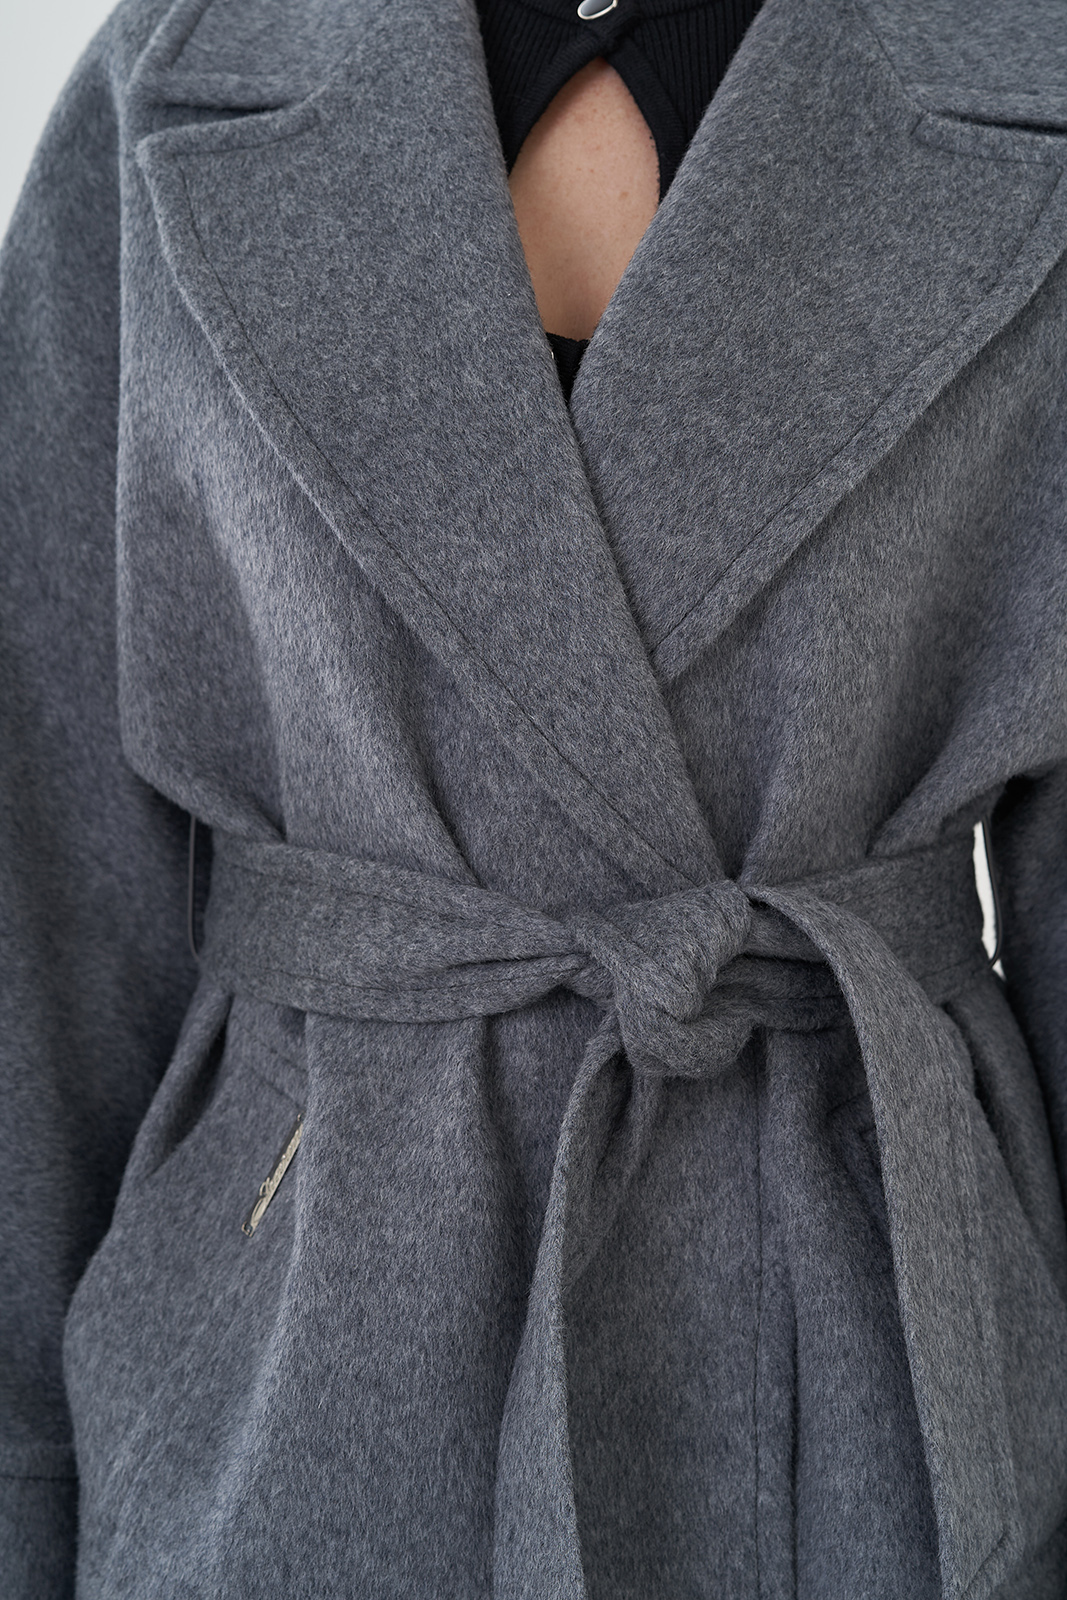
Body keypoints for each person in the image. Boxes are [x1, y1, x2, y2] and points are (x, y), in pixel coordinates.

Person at [2, 0, 1066, 1595]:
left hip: (875, 1348)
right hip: (289, 1353)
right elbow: (45, 889)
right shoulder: (175, 76)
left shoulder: (1028, 82)